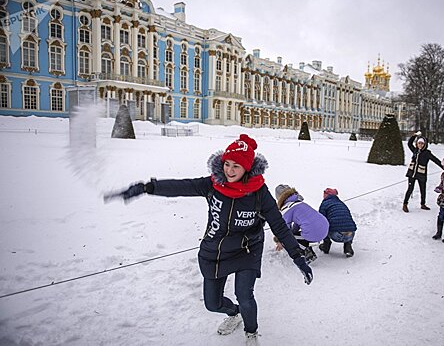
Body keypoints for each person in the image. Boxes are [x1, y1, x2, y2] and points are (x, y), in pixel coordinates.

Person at [105, 134, 313, 345]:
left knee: (245, 295)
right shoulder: (213, 184)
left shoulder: (259, 193)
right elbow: (182, 186)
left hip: (247, 248)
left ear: (247, 169)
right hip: (216, 250)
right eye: (227, 164)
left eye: (236, 167)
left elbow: (279, 225)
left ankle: (251, 333)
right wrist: (147, 188)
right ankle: (235, 313)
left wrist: (298, 258)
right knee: (212, 304)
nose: (229, 171)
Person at [273, 185, 329, 264]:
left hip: (314, 233)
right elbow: (298, 222)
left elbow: (283, 228)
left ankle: (307, 253)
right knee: (299, 233)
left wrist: (280, 240)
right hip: (325, 228)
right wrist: (294, 232)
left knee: (288, 238)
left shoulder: (287, 208)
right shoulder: (299, 203)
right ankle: (305, 245)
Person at [403, 132, 443, 212]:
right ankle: (405, 204)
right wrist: (414, 136)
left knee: (423, 189)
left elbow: (436, 160)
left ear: (425, 144)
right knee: (410, 189)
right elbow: (409, 144)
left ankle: (423, 204)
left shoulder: (427, 153)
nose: (420, 145)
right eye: (419, 143)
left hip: (421, 174)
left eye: (422, 143)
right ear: (417, 144)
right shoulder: (415, 150)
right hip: (412, 173)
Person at [318, 188, 358, 257]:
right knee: (347, 225)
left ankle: (326, 246)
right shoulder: (341, 204)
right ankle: (348, 247)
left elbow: (321, 219)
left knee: (324, 225)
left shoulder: (324, 204)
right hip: (351, 234)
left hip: (336, 234)